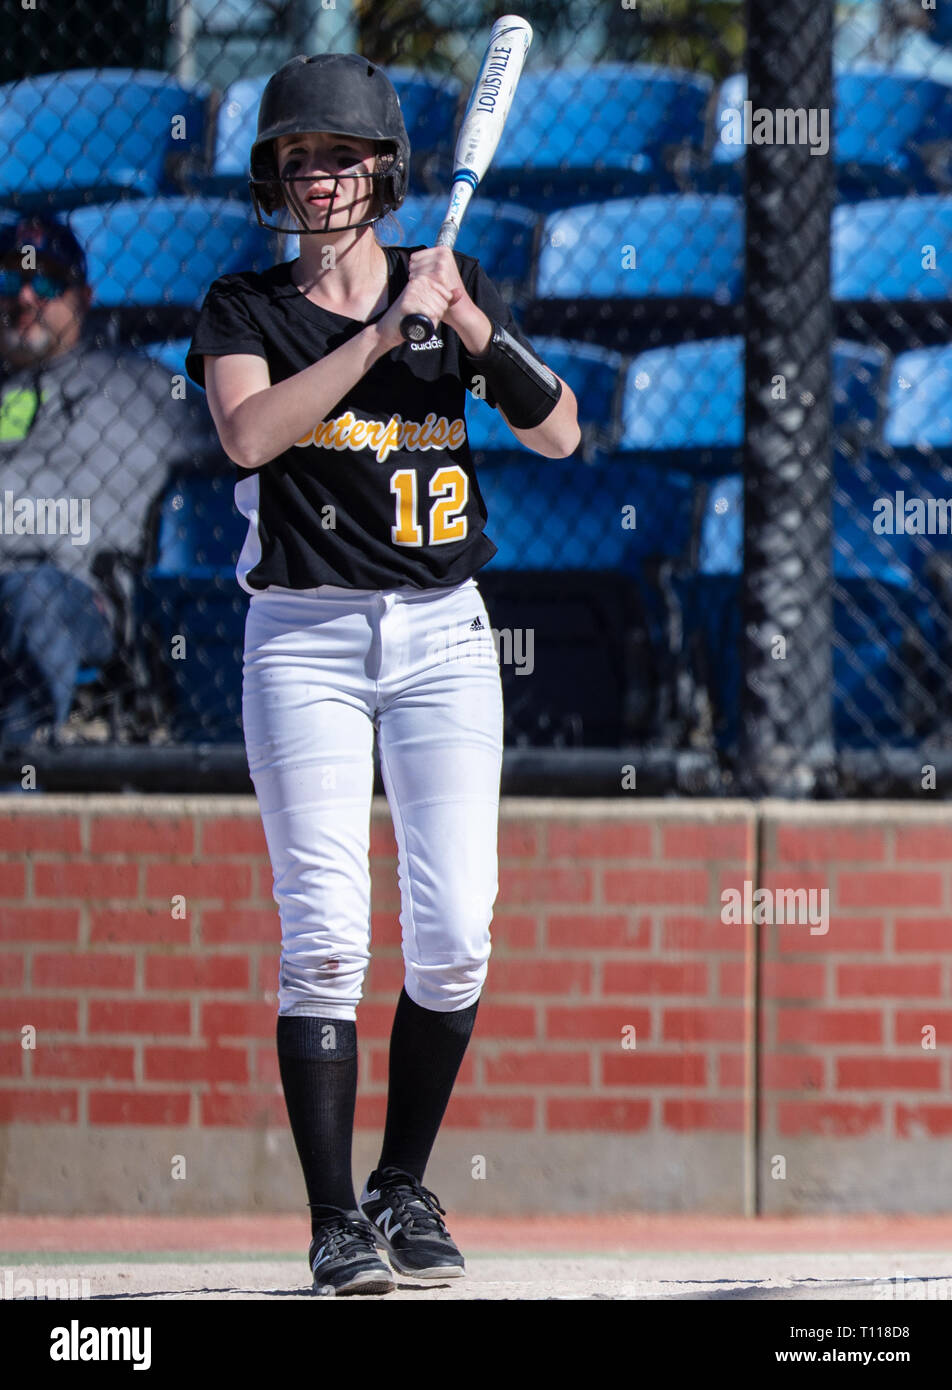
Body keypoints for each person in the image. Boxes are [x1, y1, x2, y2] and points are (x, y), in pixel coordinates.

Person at [184, 52, 580, 1296]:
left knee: (456, 930)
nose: (321, 180)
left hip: (443, 640)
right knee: (323, 937)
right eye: (299, 161)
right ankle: (329, 1218)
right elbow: (248, 434)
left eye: (342, 159)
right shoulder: (242, 308)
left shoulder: (442, 292)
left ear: (384, 174)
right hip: (301, 639)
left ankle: (402, 1183)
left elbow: (561, 429)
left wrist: (466, 322)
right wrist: (371, 339)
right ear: (276, 181)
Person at [0, 213, 218, 759]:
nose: (25, 297)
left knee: (33, 595)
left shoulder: (140, 388)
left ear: (83, 295)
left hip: (74, 597)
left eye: (46, 281)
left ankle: (19, 780)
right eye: (8, 280)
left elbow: (248, 437)